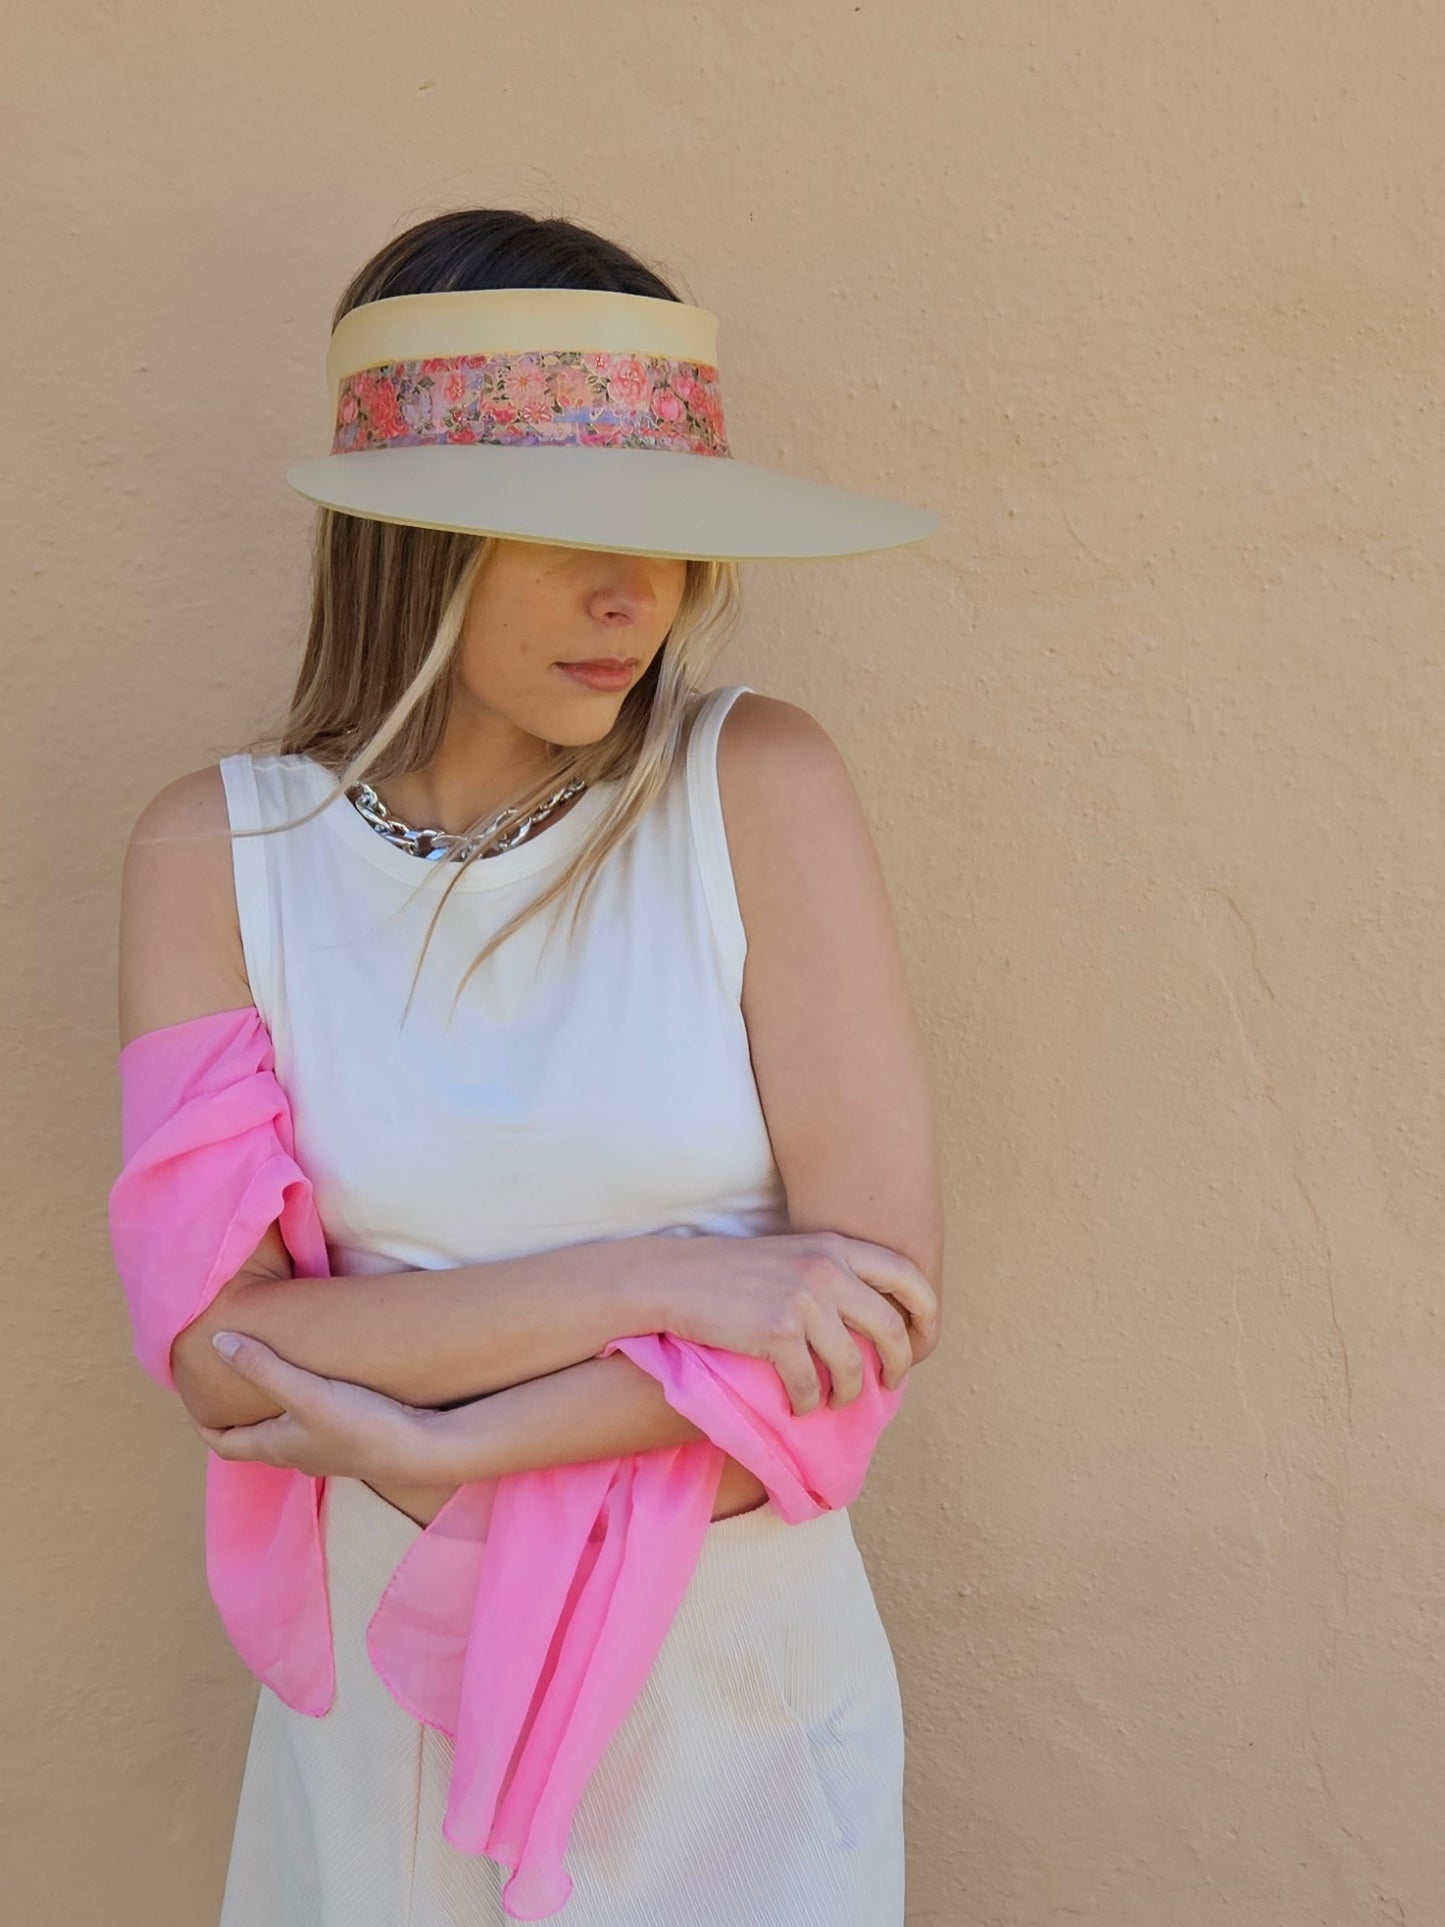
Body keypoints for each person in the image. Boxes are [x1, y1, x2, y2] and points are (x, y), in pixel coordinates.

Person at [114, 206, 945, 1925]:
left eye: (674, 535)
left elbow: (864, 1319)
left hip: (726, 1698)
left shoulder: (751, 789)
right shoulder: (225, 853)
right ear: (411, 542)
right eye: (569, 529)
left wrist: (443, 1445)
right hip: (377, 1720)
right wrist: (670, 1283)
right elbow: (221, 1352)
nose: (638, 594)